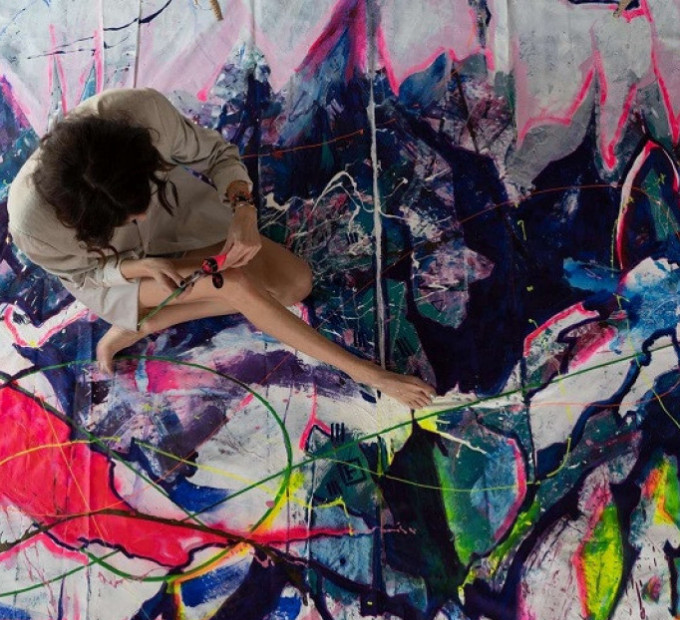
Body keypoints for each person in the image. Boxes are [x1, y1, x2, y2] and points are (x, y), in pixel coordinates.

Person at [7, 88, 435, 409]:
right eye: (123, 217)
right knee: (235, 283)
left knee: (295, 284)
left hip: (180, 216)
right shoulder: (32, 223)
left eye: (140, 198)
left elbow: (216, 155)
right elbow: (86, 274)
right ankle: (369, 374)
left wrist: (244, 209)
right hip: (118, 275)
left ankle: (147, 321)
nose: (139, 216)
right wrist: (141, 267)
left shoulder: (142, 112)